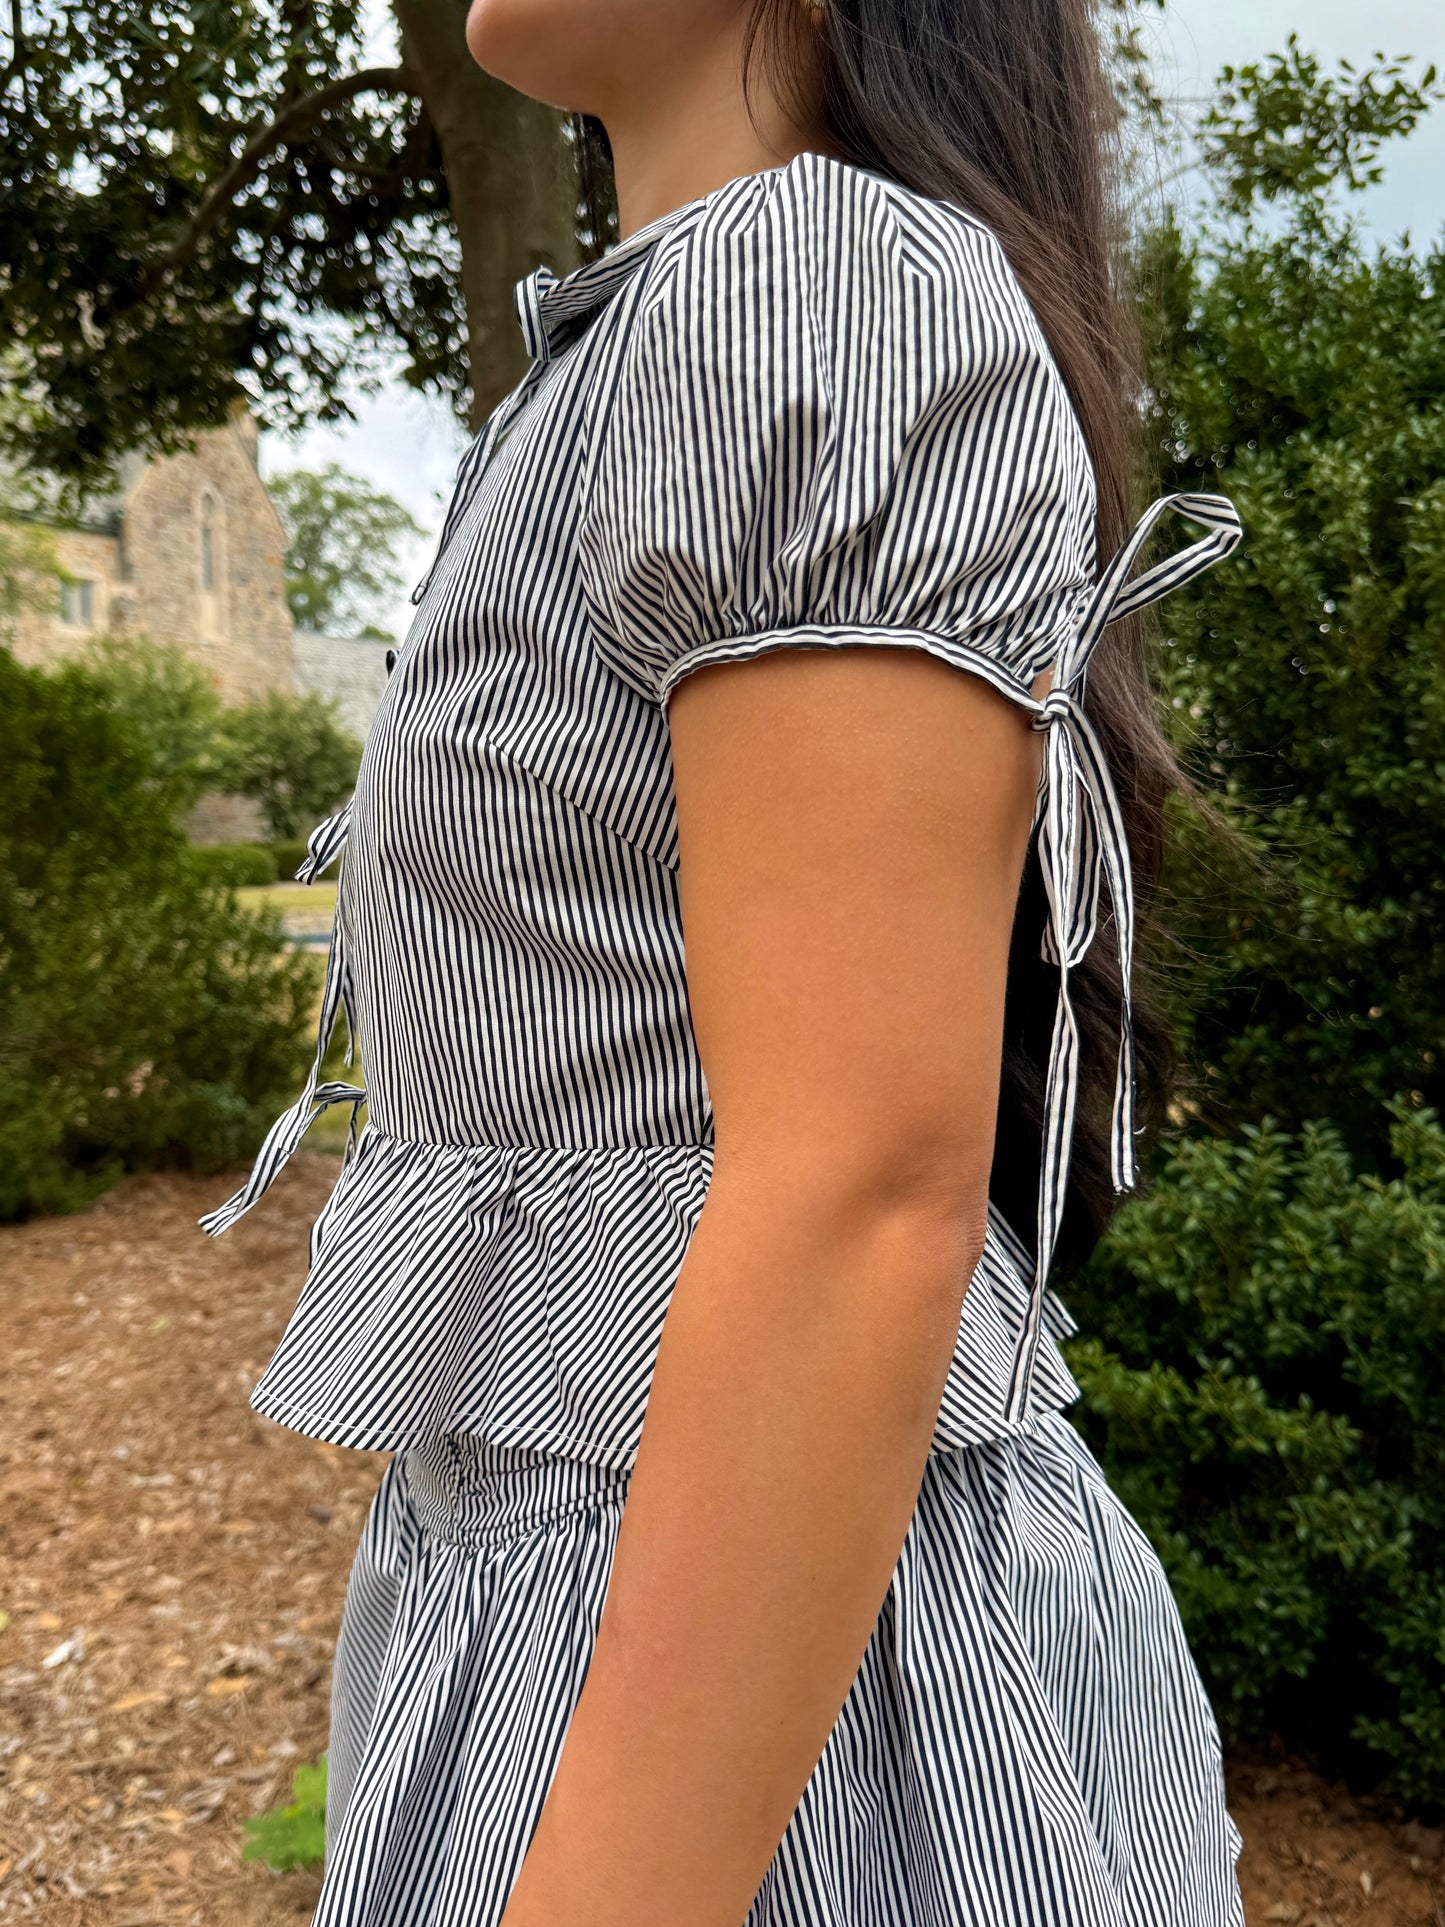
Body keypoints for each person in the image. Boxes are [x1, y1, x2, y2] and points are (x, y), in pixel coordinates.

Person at [202, 1, 1246, 1921]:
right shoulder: (664, 333)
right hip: (660, 1603)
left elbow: (854, 1188)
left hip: (775, 1694)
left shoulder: (812, 290)